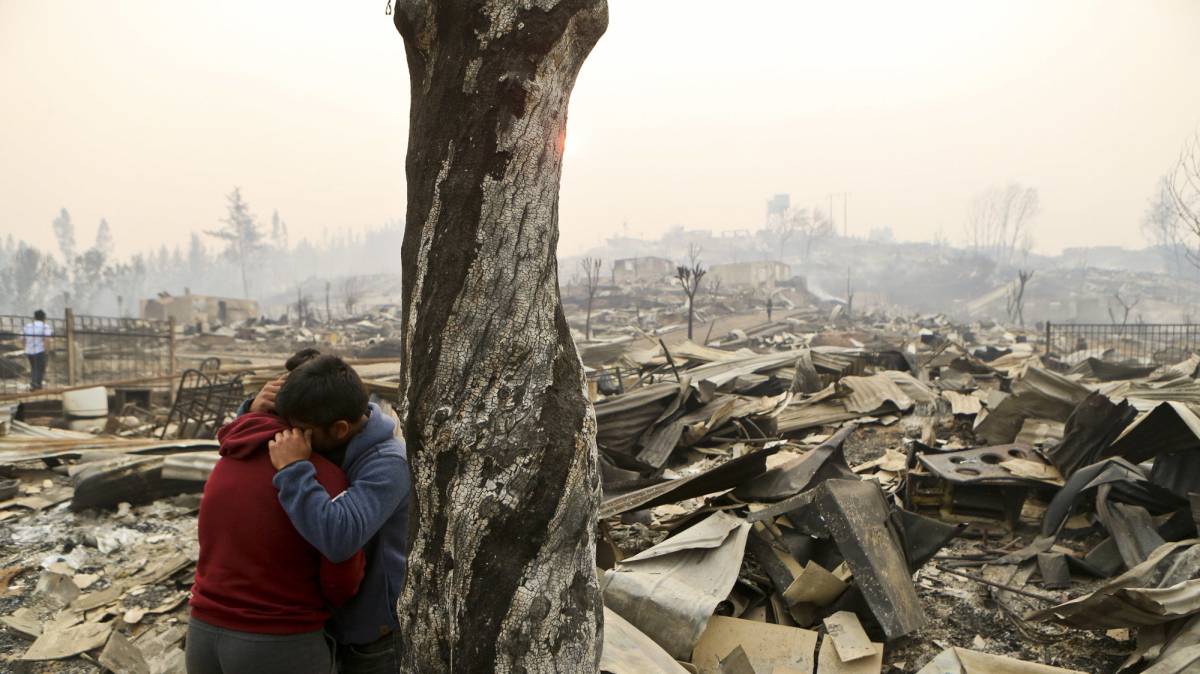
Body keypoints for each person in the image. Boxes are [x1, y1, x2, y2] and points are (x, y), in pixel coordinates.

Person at [255, 353, 411, 673]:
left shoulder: (389, 462)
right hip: (325, 624)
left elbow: (340, 538)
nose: (293, 437)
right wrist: (253, 414)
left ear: (340, 429)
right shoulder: (328, 434)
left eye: (302, 430)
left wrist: (294, 470)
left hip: (373, 638)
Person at [186, 409, 365, 674]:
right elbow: (342, 581)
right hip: (280, 640)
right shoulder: (324, 478)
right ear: (339, 428)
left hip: (203, 632)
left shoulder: (230, 457)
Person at [22, 310, 51, 390]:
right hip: (39, 350)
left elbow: (23, 339)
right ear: (44, 318)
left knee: (34, 367)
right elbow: (47, 339)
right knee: (39, 368)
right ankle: (35, 384)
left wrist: (25, 348)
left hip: (29, 351)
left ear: (34, 317)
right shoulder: (45, 326)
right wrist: (46, 351)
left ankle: (37, 384)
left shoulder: (27, 326)